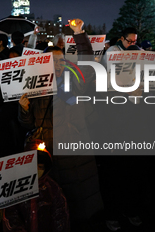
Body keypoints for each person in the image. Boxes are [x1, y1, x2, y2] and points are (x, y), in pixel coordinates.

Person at [18, 19, 103, 230]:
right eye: (51, 61)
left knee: (84, 199)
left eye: (61, 61)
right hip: (52, 151)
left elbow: (87, 62)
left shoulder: (76, 82)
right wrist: (24, 107)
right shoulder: (35, 88)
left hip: (78, 147)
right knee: (57, 201)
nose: (57, 65)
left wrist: (79, 33)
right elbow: (26, 123)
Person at [3, 139, 70, 232]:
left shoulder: (52, 188)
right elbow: (11, 214)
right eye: (34, 165)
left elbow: (60, 215)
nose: (37, 169)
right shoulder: (16, 186)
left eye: (41, 167)